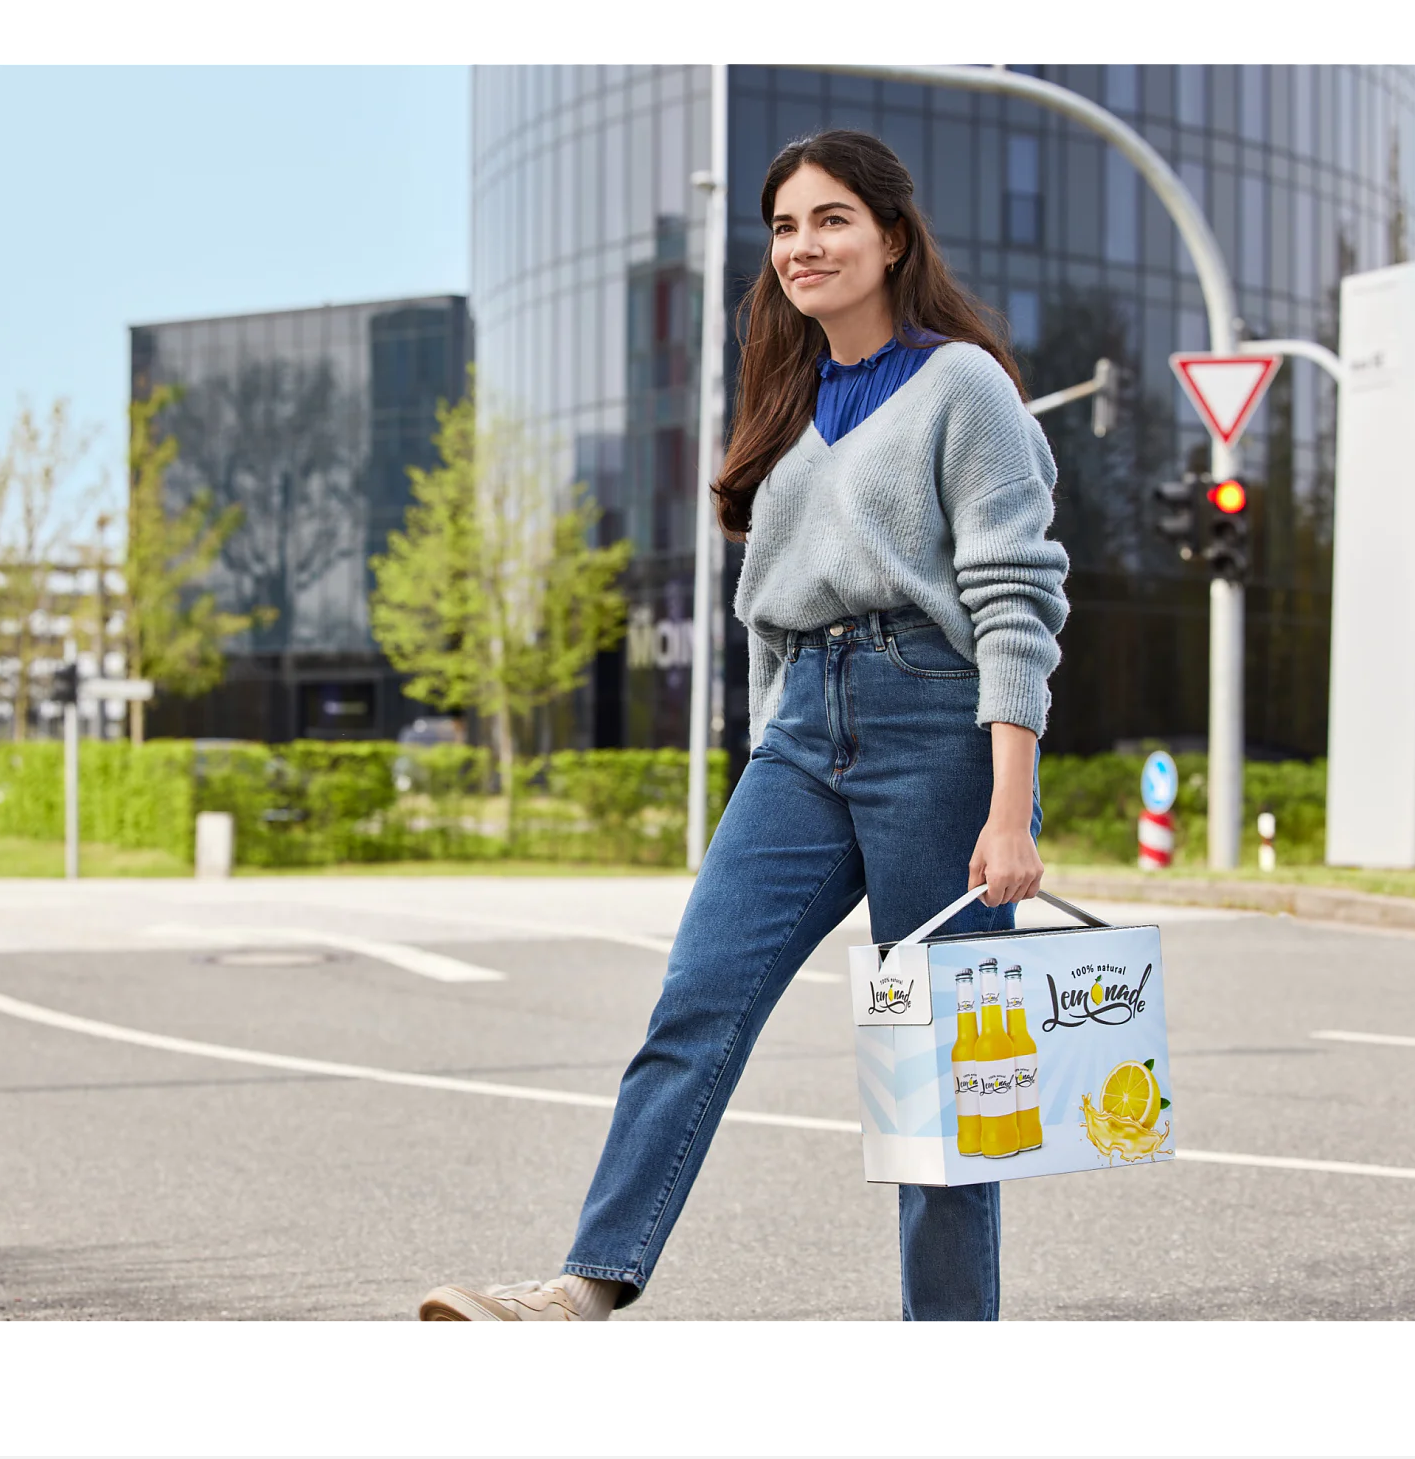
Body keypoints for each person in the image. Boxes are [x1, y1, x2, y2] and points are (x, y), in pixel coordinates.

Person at [419, 130, 1069, 1325]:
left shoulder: (962, 385)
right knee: (696, 999)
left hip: (934, 721)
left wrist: (1009, 806)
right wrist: (779, 738)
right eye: (783, 226)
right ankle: (585, 1286)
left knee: (940, 1076)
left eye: (830, 219)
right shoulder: (786, 399)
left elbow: (1014, 600)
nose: (802, 245)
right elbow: (765, 610)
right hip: (801, 731)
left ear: (891, 237)